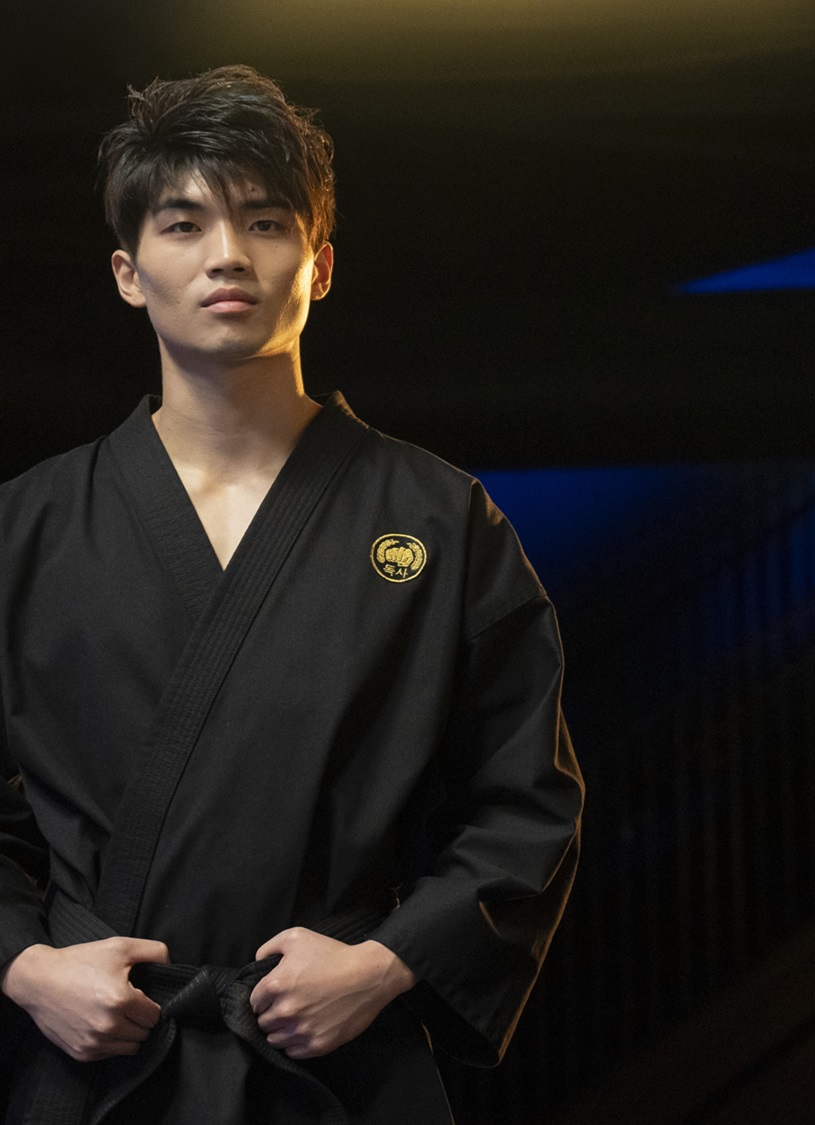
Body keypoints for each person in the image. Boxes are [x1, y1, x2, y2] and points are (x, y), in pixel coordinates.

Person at [0, 66, 583, 1122]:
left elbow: (525, 800)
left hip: (338, 1060)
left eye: (265, 222)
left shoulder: (439, 517)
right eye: (184, 224)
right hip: (99, 1063)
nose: (227, 254)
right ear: (129, 273)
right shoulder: (27, 527)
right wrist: (26, 964)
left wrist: (388, 963)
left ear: (319, 264)